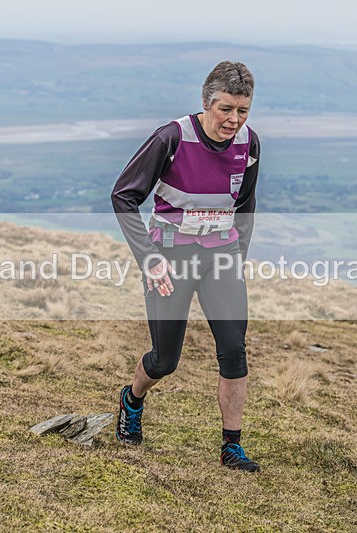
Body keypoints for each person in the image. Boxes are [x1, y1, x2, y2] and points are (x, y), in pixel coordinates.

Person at [111, 61, 261, 472]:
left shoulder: (249, 143)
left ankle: (232, 445)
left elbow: (244, 206)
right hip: (170, 258)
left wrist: (237, 258)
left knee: (234, 351)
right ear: (206, 102)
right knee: (165, 360)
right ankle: (133, 398)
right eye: (226, 109)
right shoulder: (171, 138)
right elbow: (123, 196)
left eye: (242, 110)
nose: (234, 120)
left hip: (222, 258)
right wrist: (150, 258)